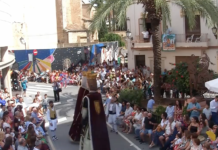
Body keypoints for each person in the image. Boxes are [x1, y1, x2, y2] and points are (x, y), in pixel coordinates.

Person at [80, 72, 110, 150]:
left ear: (88, 85)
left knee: (89, 144)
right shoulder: (98, 95)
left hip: (90, 125)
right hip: (100, 124)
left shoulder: (87, 98)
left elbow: (84, 115)